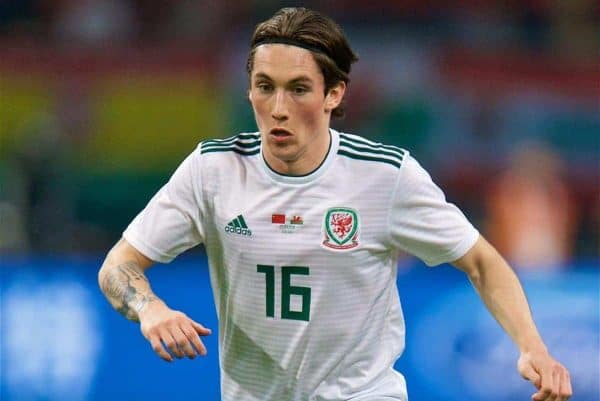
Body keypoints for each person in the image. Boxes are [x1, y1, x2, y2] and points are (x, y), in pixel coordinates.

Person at [98, 7, 572, 401]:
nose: (278, 108)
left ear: (334, 93)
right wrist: (151, 309)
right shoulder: (213, 171)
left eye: (298, 89)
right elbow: (118, 265)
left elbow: (481, 262)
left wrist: (533, 347)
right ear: (249, 91)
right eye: (265, 87)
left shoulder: (385, 176)